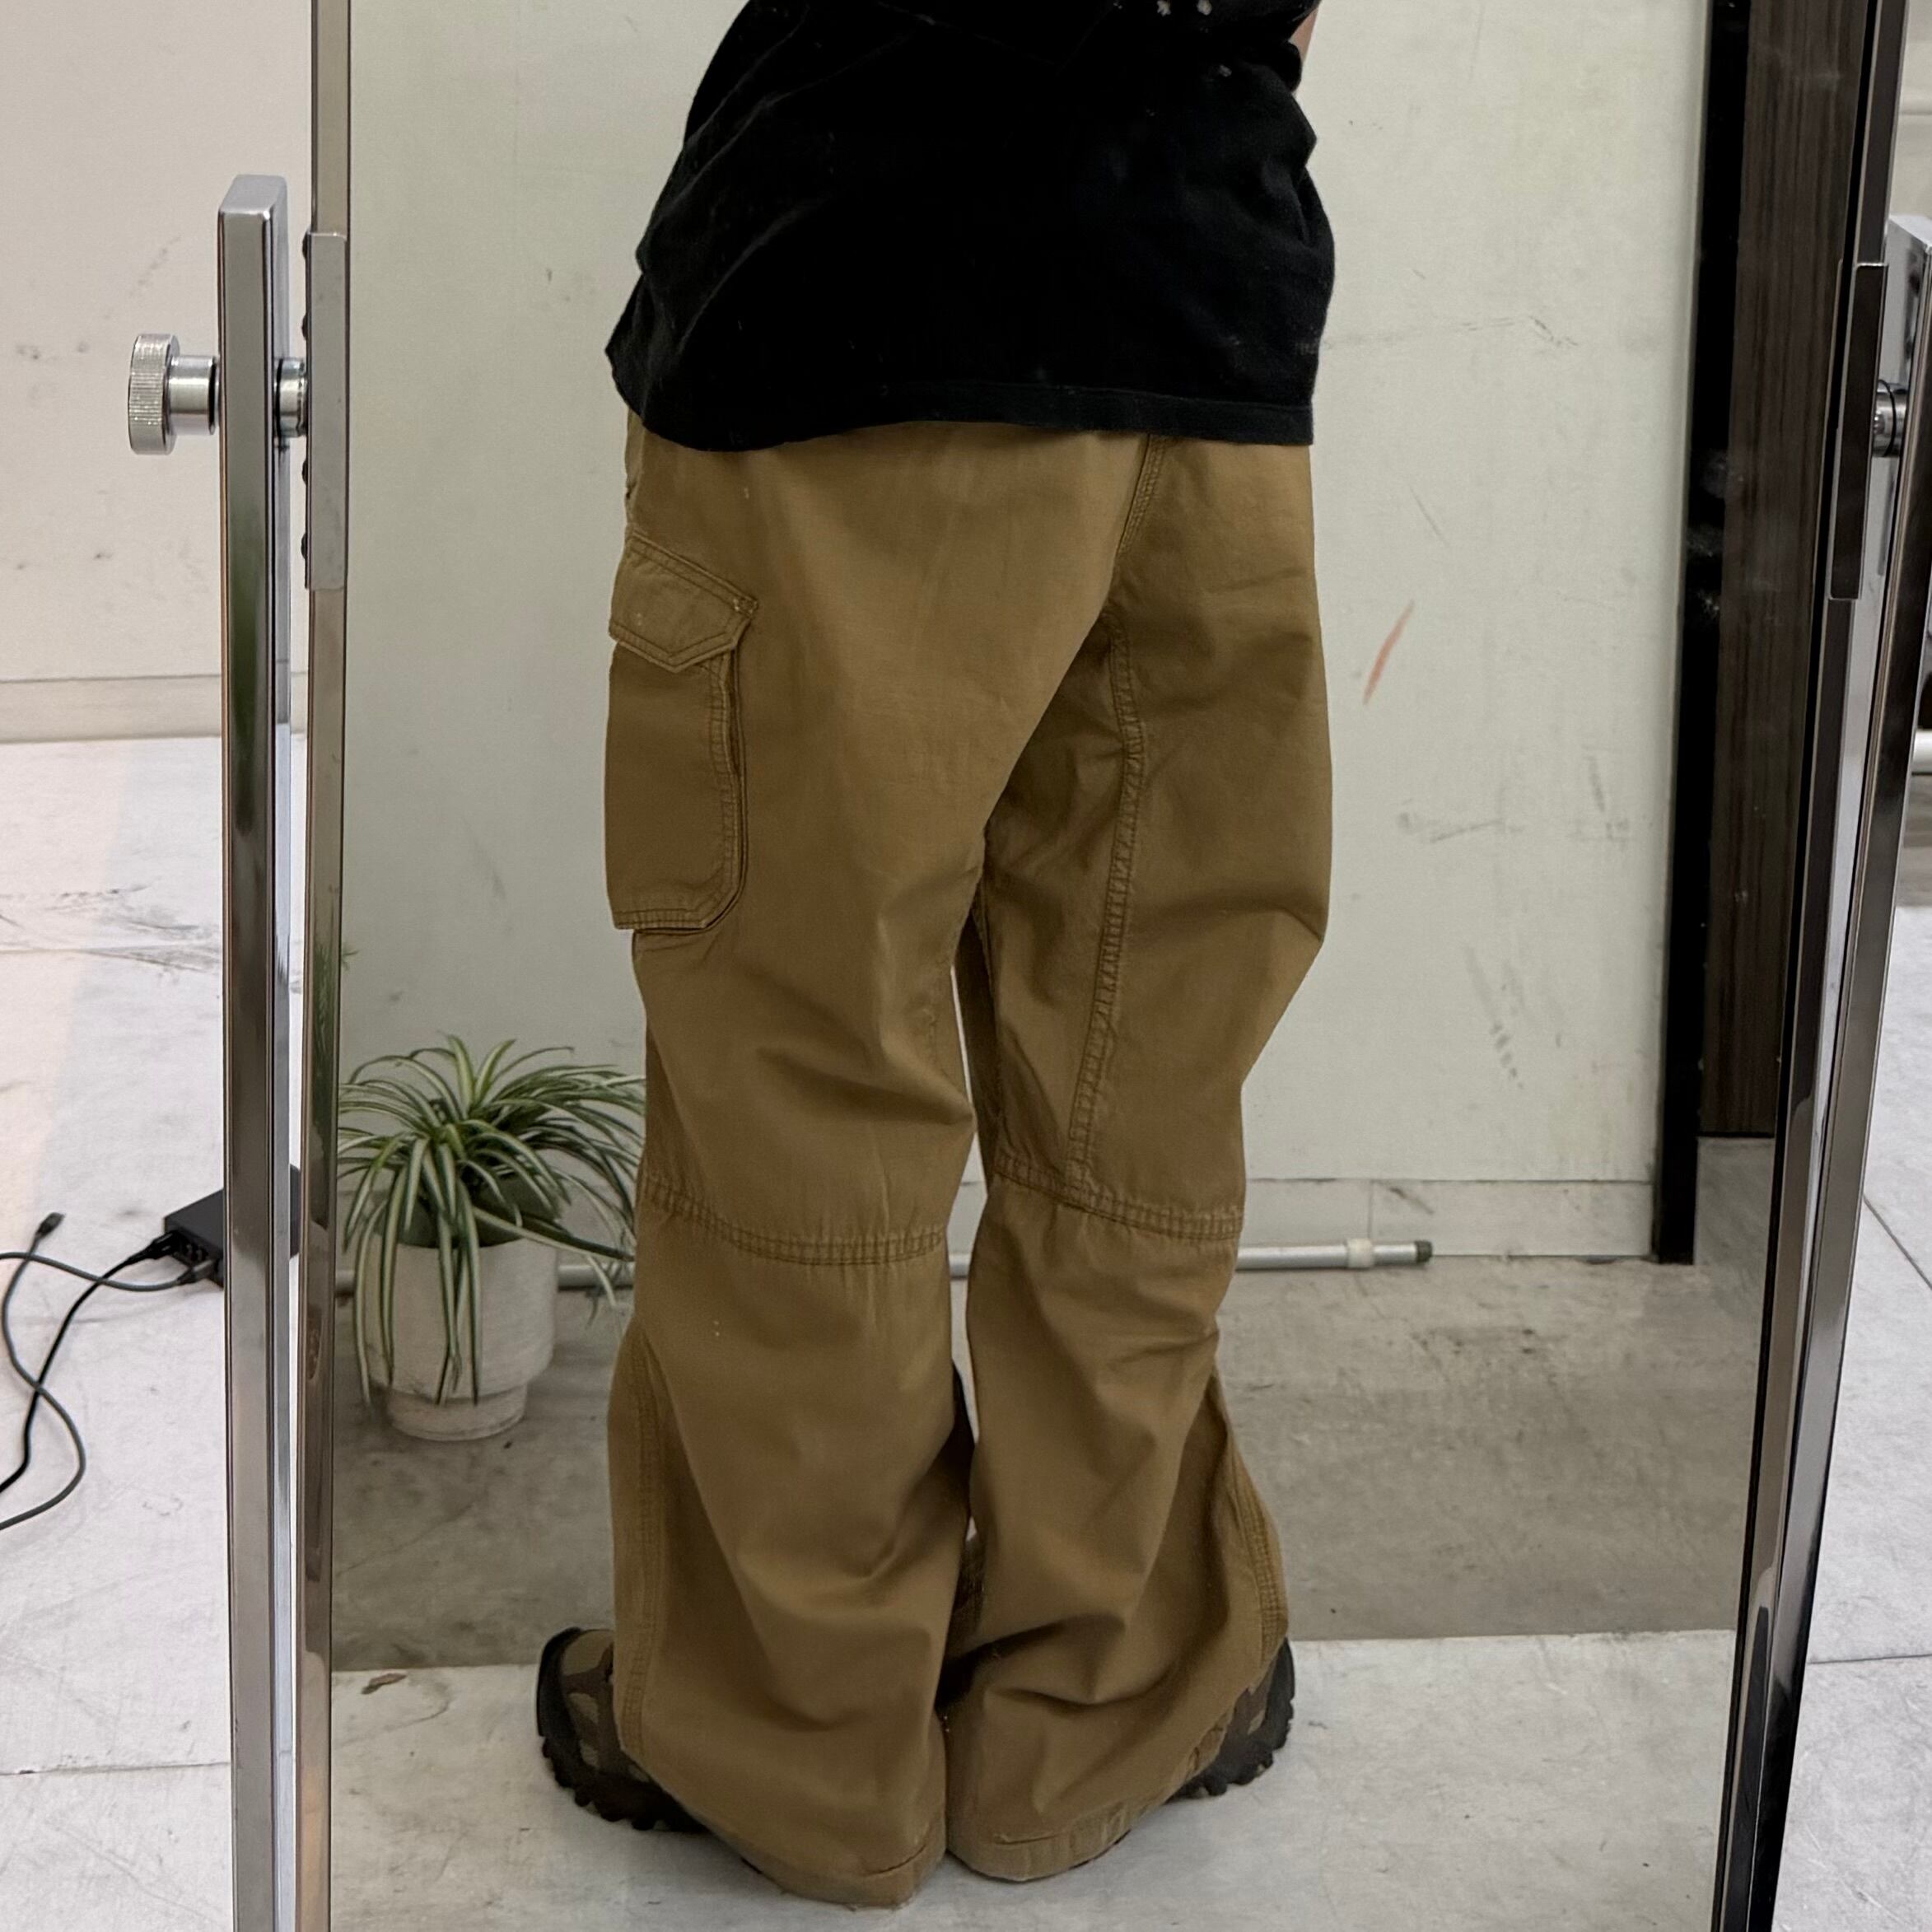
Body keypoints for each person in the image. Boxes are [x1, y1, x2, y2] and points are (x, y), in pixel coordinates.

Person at [537, 0, 1334, 1905]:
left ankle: (808, 1743)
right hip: (1200, 319)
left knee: (805, 1074)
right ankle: (1097, 1709)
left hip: (857, 299)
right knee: (1139, 1080)